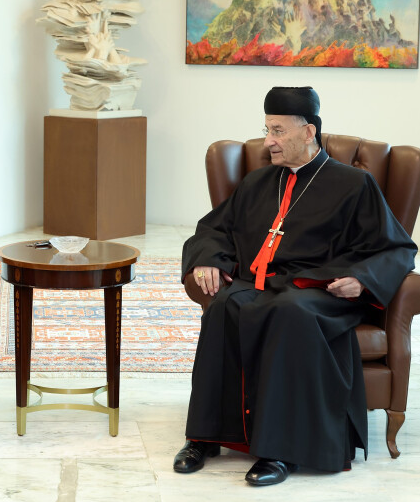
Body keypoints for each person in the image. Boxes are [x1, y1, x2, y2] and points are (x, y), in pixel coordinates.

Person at [174, 86, 417, 486]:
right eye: (266, 130)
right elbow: (214, 230)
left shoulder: (355, 184)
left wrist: (362, 280)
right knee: (223, 307)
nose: (268, 141)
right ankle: (204, 436)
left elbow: (398, 248)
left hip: (319, 291)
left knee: (289, 311)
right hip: (260, 285)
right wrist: (207, 259)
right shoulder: (257, 183)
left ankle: (281, 450)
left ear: (308, 132)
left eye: (278, 131)